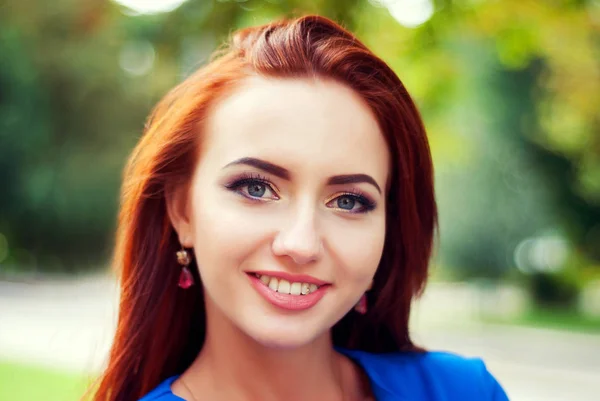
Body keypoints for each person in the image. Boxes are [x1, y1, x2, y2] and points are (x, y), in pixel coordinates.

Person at [91, 14, 509, 401]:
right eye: (255, 188)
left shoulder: (463, 392)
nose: (301, 244)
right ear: (182, 211)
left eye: (349, 201)